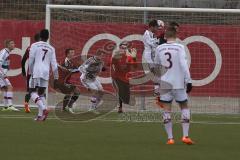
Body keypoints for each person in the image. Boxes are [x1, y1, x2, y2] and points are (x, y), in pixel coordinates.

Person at [154, 27, 193, 145]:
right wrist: (189, 80)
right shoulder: (180, 47)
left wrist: (156, 86)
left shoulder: (159, 48)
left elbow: (156, 68)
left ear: (165, 37)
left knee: (167, 109)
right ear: (176, 36)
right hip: (178, 83)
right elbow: (183, 64)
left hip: (165, 84)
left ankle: (170, 139)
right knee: (184, 106)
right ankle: (185, 136)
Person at [29, 29, 58, 121]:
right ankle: (40, 116)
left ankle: (44, 109)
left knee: (32, 92)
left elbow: (31, 59)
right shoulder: (51, 48)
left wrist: (30, 71)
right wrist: (56, 76)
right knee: (41, 93)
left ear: (40, 36)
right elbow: (54, 64)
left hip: (36, 71)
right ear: (48, 37)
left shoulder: (34, 45)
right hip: (46, 72)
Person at [111, 41, 137, 113]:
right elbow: (110, 64)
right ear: (120, 47)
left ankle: (121, 105)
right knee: (120, 91)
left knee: (125, 94)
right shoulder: (117, 56)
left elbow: (135, 66)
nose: (124, 48)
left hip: (125, 78)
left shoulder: (130, 56)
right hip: (117, 77)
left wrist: (134, 58)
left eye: (126, 47)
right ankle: (120, 107)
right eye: (123, 47)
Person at [21, 33, 40, 113]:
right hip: (38, 72)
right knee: (39, 89)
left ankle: (26, 104)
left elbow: (23, 60)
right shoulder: (41, 47)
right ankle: (42, 106)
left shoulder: (30, 47)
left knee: (30, 89)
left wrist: (23, 71)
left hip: (30, 72)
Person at [0, 39, 19, 111]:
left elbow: (4, 64)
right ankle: (10, 105)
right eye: (12, 43)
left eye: (13, 43)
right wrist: (3, 74)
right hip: (1, 73)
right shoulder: (4, 52)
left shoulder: (7, 52)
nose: (14, 45)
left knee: (5, 88)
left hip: (1, 73)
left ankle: (5, 106)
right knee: (10, 87)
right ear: (8, 45)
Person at [59, 48, 80, 113]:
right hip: (61, 81)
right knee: (76, 91)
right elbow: (69, 71)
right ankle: (69, 107)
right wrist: (79, 69)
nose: (73, 54)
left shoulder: (70, 62)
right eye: (71, 52)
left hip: (66, 81)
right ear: (67, 54)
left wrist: (81, 68)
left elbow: (76, 69)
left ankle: (64, 108)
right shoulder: (64, 62)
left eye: (73, 52)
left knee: (71, 93)